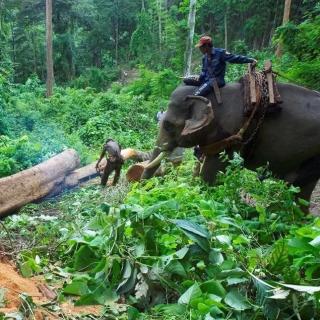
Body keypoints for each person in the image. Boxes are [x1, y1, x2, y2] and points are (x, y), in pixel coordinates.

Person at [185, 35, 257, 97]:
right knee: (186, 80)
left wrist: (250, 60)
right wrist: (198, 77)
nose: (200, 49)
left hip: (216, 80)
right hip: (206, 79)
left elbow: (235, 58)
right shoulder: (205, 57)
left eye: (201, 47)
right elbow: (204, 71)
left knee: (196, 94)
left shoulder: (220, 53)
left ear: (206, 46)